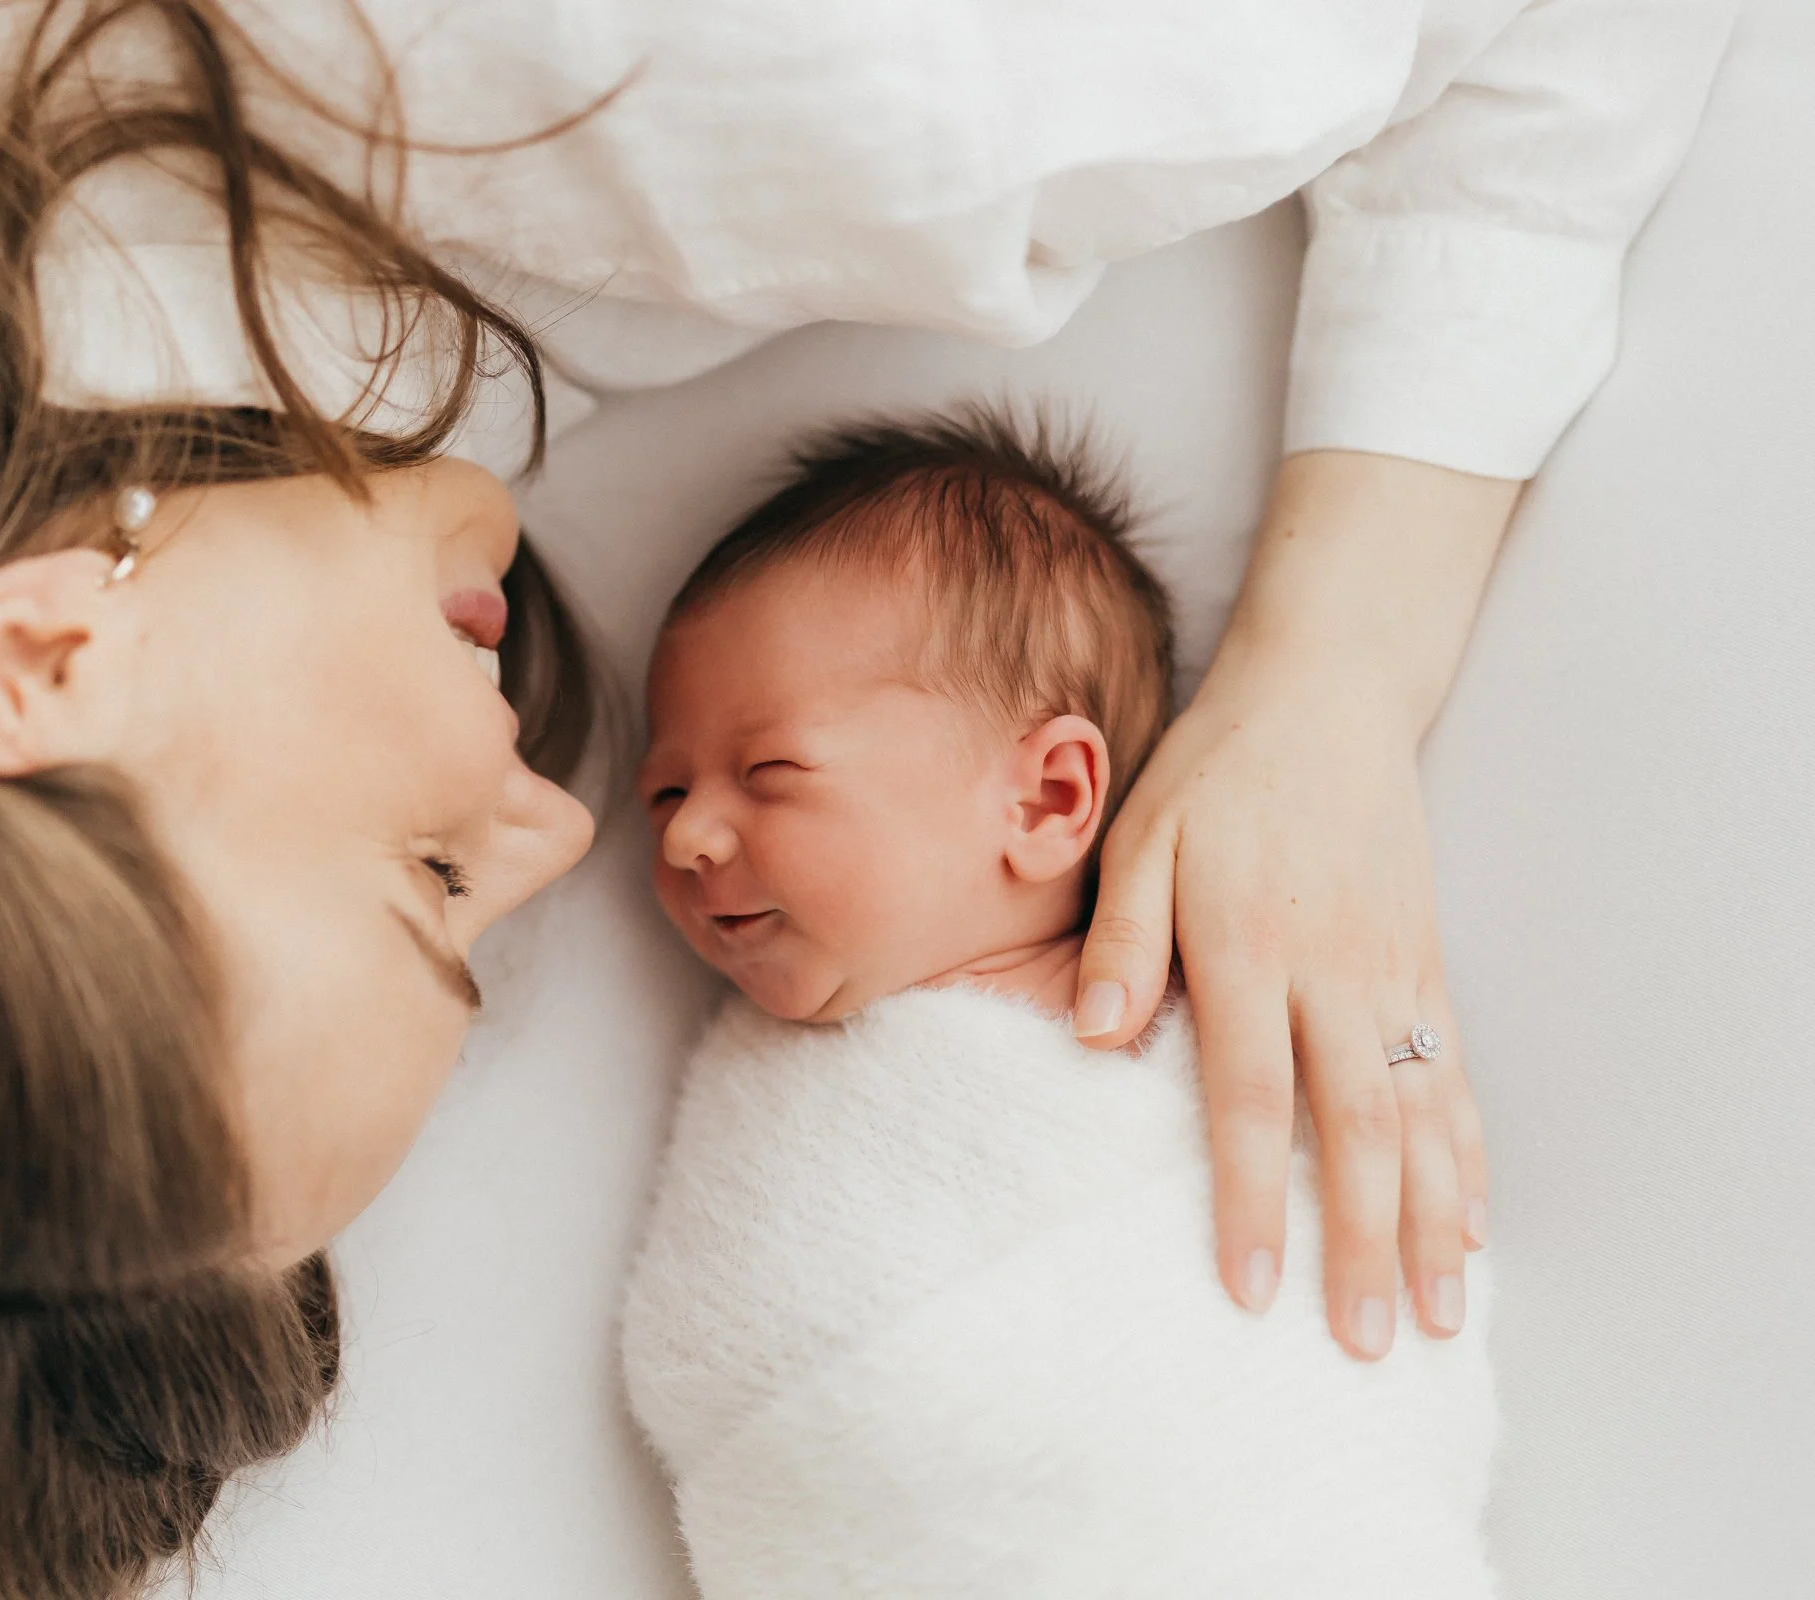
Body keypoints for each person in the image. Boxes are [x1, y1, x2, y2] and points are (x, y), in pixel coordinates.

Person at [0, 0, 1733, 1595]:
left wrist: (1329, 674)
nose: (560, 828)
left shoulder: (726, 109)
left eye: (417, 876)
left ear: (43, 654)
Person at [622, 406, 1497, 1597]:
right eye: (663, 791)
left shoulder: (1211, 989)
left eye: (767, 774)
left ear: (1045, 799)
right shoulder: (772, 1086)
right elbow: (718, 1360)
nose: (688, 833)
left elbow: (1335, 1234)